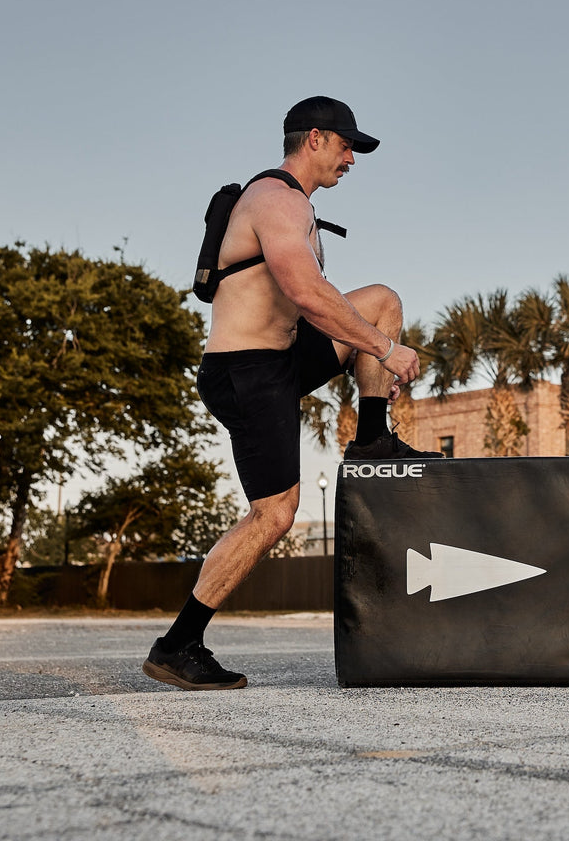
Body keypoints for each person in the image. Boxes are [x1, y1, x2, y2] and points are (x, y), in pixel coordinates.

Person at [144, 95, 438, 691]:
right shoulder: (274, 199)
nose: (352, 158)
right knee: (275, 514)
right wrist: (385, 350)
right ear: (315, 139)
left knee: (381, 300)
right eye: (347, 145)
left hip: (281, 358)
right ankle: (178, 644)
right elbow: (305, 291)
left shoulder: (296, 205)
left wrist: (374, 338)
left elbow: (316, 307)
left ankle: (374, 438)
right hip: (245, 370)